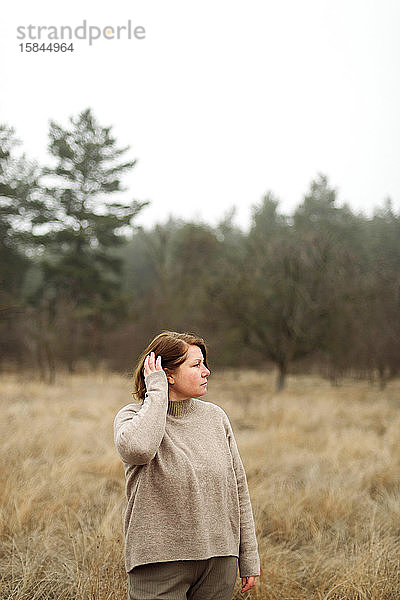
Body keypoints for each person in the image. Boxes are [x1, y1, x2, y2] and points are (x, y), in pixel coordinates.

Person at [114, 331, 260, 600]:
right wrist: (157, 391)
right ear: (167, 374)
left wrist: (247, 556)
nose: (207, 371)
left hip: (219, 560)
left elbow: (238, 488)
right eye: (196, 365)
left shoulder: (215, 417)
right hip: (159, 562)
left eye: (204, 364)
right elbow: (139, 449)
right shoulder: (132, 417)